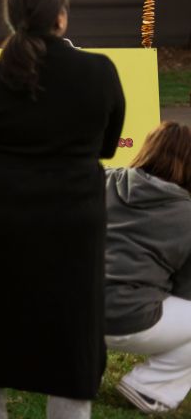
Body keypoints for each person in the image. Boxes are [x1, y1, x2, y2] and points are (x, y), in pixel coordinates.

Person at [0, 0, 125, 419]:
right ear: (60, 19)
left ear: (12, 19)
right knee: (70, 338)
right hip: (73, 228)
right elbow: (106, 146)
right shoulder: (99, 73)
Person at [104, 121, 191, 415]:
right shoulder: (187, 214)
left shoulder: (103, 180)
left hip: (64, 307)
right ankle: (151, 386)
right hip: (124, 316)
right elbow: (187, 291)